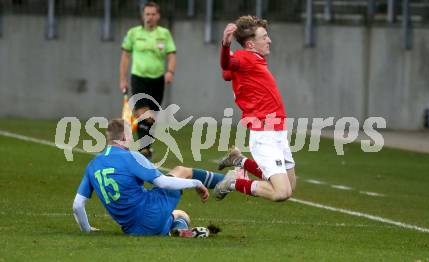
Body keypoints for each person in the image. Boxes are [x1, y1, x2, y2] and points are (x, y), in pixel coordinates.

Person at [72, 119, 225, 237]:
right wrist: (195, 183)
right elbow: (163, 183)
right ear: (124, 136)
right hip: (151, 212)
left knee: (180, 214)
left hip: (133, 229)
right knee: (181, 170)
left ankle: (179, 231)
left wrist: (87, 230)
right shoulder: (132, 157)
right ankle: (228, 182)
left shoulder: (93, 165)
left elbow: (77, 205)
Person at [215, 16, 297, 202]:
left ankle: (239, 160)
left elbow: (227, 73)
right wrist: (226, 46)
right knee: (281, 193)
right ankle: (234, 182)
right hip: (264, 133)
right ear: (251, 44)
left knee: (290, 186)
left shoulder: (252, 59)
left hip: (278, 131)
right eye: (264, 37)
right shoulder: (245, 57)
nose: (269, 40)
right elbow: (227, 65)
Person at [119, 1, 176, 159]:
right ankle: (144, 149)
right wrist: (122, 78)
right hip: (139, 78)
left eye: (152, 14)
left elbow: (171, 54)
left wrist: (170, 71)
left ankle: (146, 148)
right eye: (147, 14)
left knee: (151, 117)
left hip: (157, 80)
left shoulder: (164, 34)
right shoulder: (133, 33)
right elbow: (125, 56)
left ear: (157, 16)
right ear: (143, 16)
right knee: (143, 113)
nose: (149, 17)